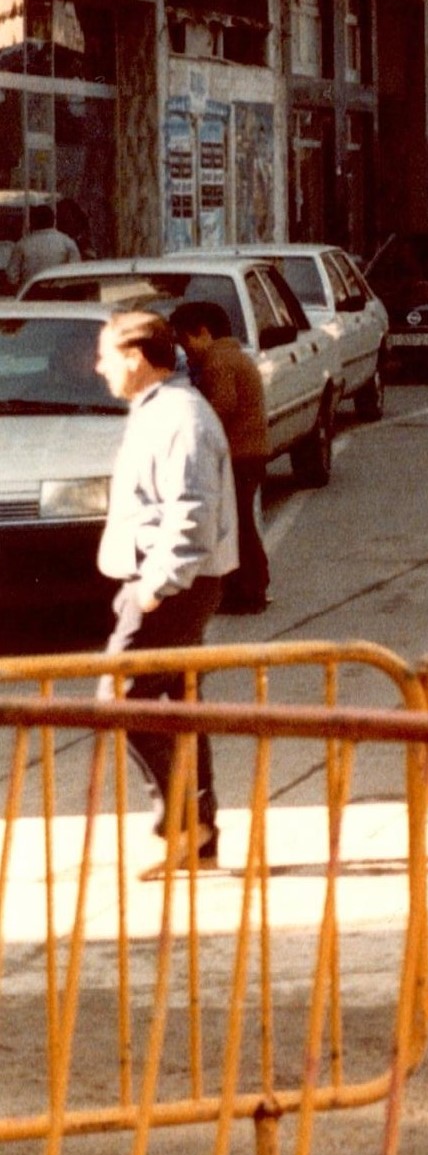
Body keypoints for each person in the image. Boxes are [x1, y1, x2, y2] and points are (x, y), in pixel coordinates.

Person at [93, 310, 238, 877]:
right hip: (170, 581)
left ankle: (184, 825)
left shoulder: (178, 416)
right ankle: (197, 838)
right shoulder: (162, 410)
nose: (99, 367)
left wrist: (154, 588)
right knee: (179, 705)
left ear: (136, 356)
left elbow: (192, 509)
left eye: (106, 354)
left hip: (172, 584)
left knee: (120, 700)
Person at [173, 301, 270, 613]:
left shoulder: (218, 363)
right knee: (240, 523)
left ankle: (249, 590)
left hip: (238, 455)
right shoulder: (233, 356)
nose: (186, 351)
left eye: (185, 341)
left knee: (237, 525)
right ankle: (249, 587)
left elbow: (222, 406)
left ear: (203, 333)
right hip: (250, 453)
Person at [10, 201, 78, 289]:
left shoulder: (22, 244)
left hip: (30, 295)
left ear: (32, 222)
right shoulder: (67, 242)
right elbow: (75, 271)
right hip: (60, 295)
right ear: (53, 220)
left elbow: (12, 275)